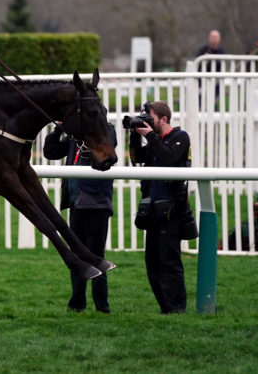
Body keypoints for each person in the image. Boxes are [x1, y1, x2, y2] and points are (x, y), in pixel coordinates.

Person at [128, 101, 196, 314]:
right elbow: (136, 158)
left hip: (171, 212)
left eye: (150, 118)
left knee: (169, 263)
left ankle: (177, 308)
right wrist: (134, 134)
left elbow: (169, 159)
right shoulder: (156, 142)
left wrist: (150, 137)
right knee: (153, 264)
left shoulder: (180, 137)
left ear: (163, 119)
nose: (147, 121)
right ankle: (166, 308)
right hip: (152, 211)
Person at [44, 122, 117, 314]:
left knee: (96, 256)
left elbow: (108, 144)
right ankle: (77, 304)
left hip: (96, 204)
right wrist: (59, 129)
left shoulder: (106, 129)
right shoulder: (74, 137)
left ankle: (102, 307)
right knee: (77, 256)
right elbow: (50, 152)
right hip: (76, 204)